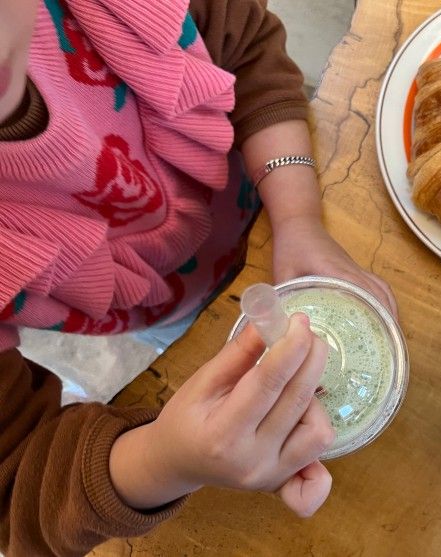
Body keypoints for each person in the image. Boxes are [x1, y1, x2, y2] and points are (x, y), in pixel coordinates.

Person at [0, 0, 397, 554]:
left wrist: (297, 216)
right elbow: (15, 479)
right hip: (153, 305)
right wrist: (166, 459)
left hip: (261, 194)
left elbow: (247, 48)